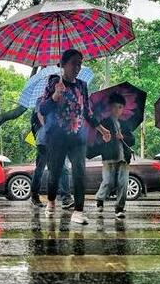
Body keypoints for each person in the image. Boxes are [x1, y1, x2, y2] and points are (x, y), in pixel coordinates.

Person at [39, 49, 111, 225]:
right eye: (74, 63)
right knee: (55, 173)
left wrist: (102, 129)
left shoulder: (82, 85)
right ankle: (51, 202)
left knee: (80, 171)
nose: (78, 67)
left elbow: (87, 111)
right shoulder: (54, 82)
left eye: (80, 63)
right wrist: (56, 95)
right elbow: (43, 109)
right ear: (63, 64)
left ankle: (78, 211)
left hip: (78, 137)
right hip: (57, 138)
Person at [95, 92, 135, 218]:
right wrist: (105, 139)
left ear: (123, 109)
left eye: (120, 107)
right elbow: (97, 140)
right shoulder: (104, 123)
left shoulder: (125, 124)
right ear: (110, 107)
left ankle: (119, 208)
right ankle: (100, 199)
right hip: (109, 158)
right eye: (114, 106)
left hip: (124, 158)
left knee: (123, 183)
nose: (117, 110)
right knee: (108, 181)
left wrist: (124, 137)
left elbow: (132, 140)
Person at [30, 108, 75, 209]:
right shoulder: (41, 100)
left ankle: (65, 198)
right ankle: (35, 196)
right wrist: (47, 127)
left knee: (59, 168)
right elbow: (40, 114)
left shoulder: (60, 102)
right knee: (42, 169)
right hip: (44, 141)